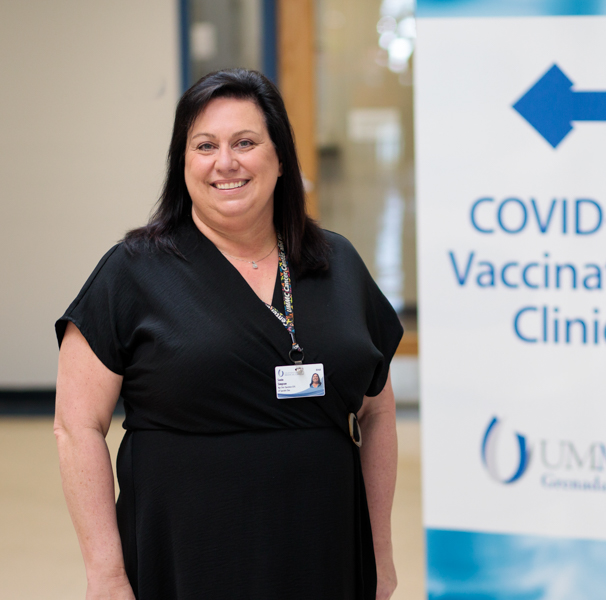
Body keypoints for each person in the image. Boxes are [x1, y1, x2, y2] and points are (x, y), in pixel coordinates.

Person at [53, 69, 403, 600]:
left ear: (280, 157)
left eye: (245, 142)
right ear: (183, 163)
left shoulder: (338, 264)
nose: (226, 162)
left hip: (324, 551)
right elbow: (76, 427)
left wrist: (380, 557)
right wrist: (106, 576)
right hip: (188, 555)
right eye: (205, 145)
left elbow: (377, 414)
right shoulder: (133, 272)